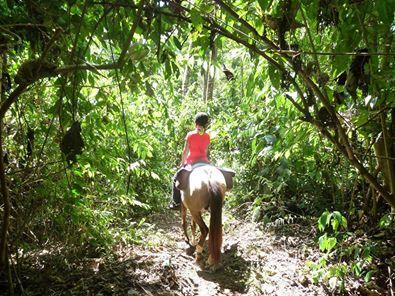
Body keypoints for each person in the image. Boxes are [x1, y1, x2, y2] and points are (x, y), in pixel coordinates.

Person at [169, 112, 211, 210]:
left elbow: (185, 151)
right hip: (204, 162)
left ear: (196, 123)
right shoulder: (207, 136)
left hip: (192, 163)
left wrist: (183, 163)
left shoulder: (190, 135)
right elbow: (206, 150)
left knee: (175, 178)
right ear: (206, 124)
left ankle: (176, 203)